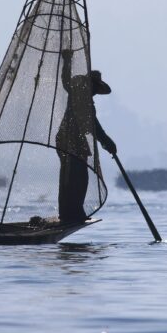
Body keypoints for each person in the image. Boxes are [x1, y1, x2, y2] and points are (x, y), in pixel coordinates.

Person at [56, 48, 117, 222]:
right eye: (94, 88)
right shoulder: (78, 95)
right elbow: (95, 128)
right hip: (68, 140)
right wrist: (107, 142)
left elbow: (92, 127)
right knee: (72, 178)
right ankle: (70, 214)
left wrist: (107, 142)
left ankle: (72, 212)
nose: (95, 91)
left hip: (75, 141)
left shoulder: (83, 97)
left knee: (78, 178)